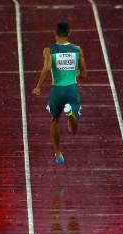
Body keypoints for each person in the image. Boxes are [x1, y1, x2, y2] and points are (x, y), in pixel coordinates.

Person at [32, 21, 87, 165]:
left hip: (57, 90)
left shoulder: (49, 50)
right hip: (72, 89)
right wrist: (74, 75)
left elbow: (46, 68)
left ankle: (58, 153)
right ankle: (70, 114)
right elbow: (84, 74)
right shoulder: (77, 50)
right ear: (69, 33)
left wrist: (38, 87)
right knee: (74, 130)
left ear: (54, 33)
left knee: (54, 120)